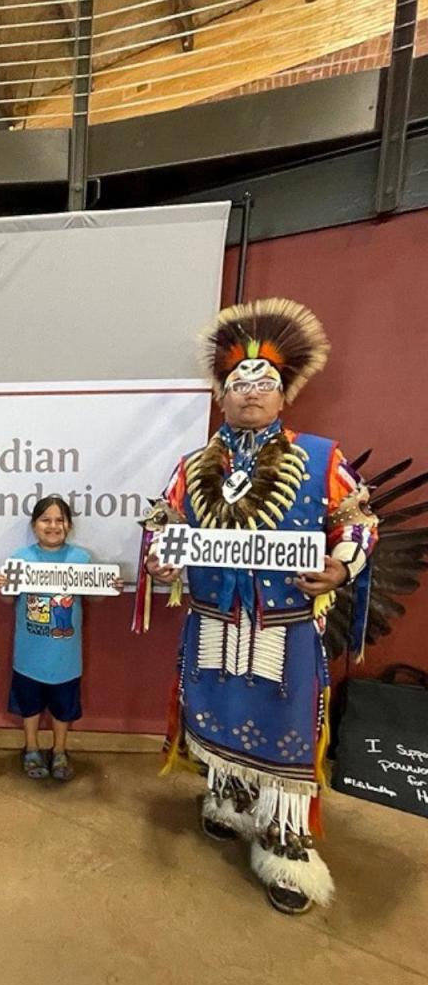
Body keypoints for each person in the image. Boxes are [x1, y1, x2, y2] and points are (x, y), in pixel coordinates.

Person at [135, 299, 378, 915]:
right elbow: (164, 520)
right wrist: (161, 557)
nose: (250, 393)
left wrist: (341, 565)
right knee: (214, 710)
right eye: (239, 384)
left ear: (283, 395)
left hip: (286, 625)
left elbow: (358, 523)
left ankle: (284, 844)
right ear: (222, 396)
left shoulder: (322, 459)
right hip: (213, 619)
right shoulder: (193, 467)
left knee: (286, 728)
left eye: (263, 383)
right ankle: (230, 801)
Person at [0, 495, 96, 782]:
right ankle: (31, 748)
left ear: (69, 525)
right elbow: (6, 600)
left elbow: (96, 596)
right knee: (30, 705)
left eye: (59, 520)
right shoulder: (20, 558)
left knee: (64, 708)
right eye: (46, 520)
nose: (53, 526)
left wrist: (108, 585)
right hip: (29, 654)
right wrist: (1, 587)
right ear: (34, 525)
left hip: (66, 656)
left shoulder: (81, 558)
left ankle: (60, 750)